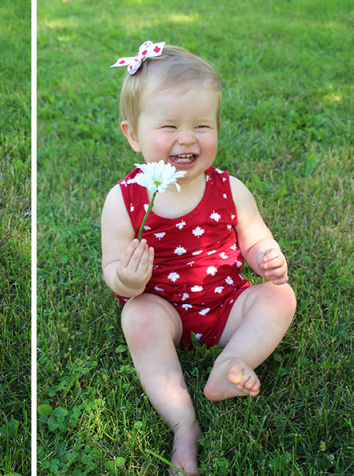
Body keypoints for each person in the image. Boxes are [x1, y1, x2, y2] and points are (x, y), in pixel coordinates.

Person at [101, 41, 296, 475]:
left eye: (202, 126)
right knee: (137, 316)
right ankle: (182, 423)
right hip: (164, 308)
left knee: (280, 297)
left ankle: (231, 363)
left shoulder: (230, 189)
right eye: (169, 125)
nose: (187, 138)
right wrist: (127, 282)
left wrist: (266, 257)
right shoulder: (125, 200)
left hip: (228, 305)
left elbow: (255, 239)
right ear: (132, 134)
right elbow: (112, 270)